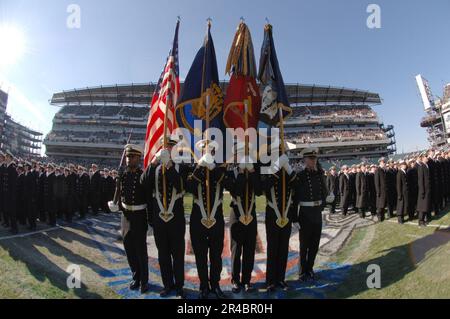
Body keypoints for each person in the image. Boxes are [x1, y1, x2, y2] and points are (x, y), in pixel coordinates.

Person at [141, 136, 188, 299]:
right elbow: (143, 183)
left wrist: (169, 165)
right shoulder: (154, 167)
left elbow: (182, 186)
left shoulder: (181, 166)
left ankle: (180, 285)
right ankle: (167, 284)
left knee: (178, 253)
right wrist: (153, 163)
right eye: (164, 147)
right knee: (163, 254)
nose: (166, 149)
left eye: (169, 147)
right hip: (159, 218)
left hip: (176, 218)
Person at [186, 139, 229, 299]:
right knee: (200, 255)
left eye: (210, 150)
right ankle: (204, 285)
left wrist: (213, 168)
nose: (207, 152)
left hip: (216, 219)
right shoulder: (193, 169)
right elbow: (188, 187)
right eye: (204, 150)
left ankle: (215, 284)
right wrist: (200, 167)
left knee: (216, 256)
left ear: (213, 152)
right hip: (198, 220)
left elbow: (229, 184)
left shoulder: (221, 169)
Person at [108, 144, 150, 294]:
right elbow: (120, 194)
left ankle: (144, 281)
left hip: (139, 217)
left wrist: (149, 219)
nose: (128, 159)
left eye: (131, 157)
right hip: (125, 217)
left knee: (141, 250)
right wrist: (116, 204)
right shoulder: (123, 175)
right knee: (129, 249)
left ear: (138, 158)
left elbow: (148, 199)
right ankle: (136, 276)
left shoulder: (142, 176)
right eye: (127, 157)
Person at [261, 144, 296, 292]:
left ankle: (280, 278)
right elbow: (264, 187)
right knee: (273, 247)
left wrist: (288, 168)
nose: (279, 153)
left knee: (283, 248)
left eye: (281, 151)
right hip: (273, 213)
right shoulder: (268, 167)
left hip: (286, 212)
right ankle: (270, 280)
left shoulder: (287, 168)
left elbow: (297, 185)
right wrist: (276, 167)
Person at [228, 142, 260, 294]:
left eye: (245, 153)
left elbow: (259, 191)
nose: (243, 156)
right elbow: (236, 192)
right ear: (235, 156)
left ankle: (247, 280)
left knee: (249, 249)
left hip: (251, 213)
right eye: (240, 153)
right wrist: (241, 172)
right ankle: (235, 280)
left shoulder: (254, 170)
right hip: (236, 214)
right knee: (236, 249)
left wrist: (252, 171)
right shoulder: (231, 171)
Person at [295, 147, 328, 282]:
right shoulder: (301, 176)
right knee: (304, 245)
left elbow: (324, 192)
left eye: (315, 158)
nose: (313, 161)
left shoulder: (320, 174)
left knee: (315, 244)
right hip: (305, 213)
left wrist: (325, 202)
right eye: (311, 159)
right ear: (305, 160)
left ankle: (310, 268)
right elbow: (295, 197)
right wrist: (294, 217)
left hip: (316, 213)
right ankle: (302, 272)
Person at [3, 151, 18, 233]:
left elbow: (13, 183)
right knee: (7, 210)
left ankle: (15, 228)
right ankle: (11, 226)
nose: (6, 158)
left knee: (12, 212)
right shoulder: (7, 167)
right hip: (6, 193)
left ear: (11, 158)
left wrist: (12, 196)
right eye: (6, 157)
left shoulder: (12, 168)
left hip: (11, 195)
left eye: (7, 157)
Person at [416, 152, 431, 227]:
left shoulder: (426, 165)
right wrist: (422, 191)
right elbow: (420, 180)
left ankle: (424, 220)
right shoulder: (421, 166)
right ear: (422, 158)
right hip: (423, 190)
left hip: (427, 189)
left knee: (425, 206)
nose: (427, 157)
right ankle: (420, 221)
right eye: (425, 157)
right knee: (422, 207)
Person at [374, 157, 388, 222]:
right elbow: (377, 182)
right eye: (383, 162)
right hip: (380, 191)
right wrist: (378, 191)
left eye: (384, 162)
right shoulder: (378, 170)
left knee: (383, 205)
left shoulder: (383, 170)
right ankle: (379, 217)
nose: (384, 163)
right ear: (380, 162)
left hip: (384, 190)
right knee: (380, 205)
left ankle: (382, 216)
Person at [396, 160, 409, 224]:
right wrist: (399, 194)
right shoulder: (399, 173)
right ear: (401, 165)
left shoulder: (404, 172)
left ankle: (402, 218)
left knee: (403, 206)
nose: (405, 165)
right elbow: (398, 185)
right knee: (400, 206)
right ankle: (400, 219)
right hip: (401, 192)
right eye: (403, 164)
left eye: (405, 164)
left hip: (404, 192)